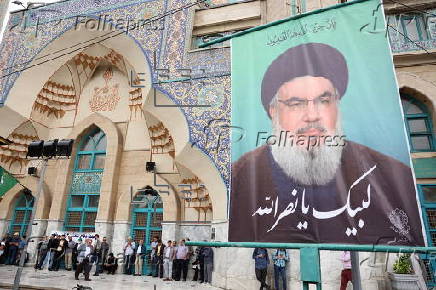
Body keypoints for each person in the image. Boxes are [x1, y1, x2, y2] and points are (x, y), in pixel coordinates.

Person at [230, 42, 425, 246]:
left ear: (336, 105)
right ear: (273, 112)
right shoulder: (240, 178)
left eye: (324, 101)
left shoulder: (389, 173)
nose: (313, 116)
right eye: (296, 104)